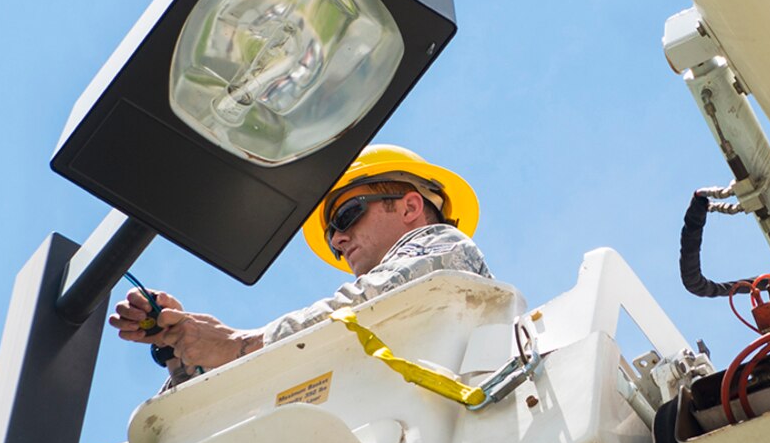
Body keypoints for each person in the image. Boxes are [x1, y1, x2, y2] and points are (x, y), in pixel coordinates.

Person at [110, 145, 491, 378]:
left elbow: (365, 306)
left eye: (345, 217)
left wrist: (234, 344)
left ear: (409, 206)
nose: (339, 241)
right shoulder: (347, 342)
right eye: (331, 237)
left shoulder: (444, 247)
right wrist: (183, 352)